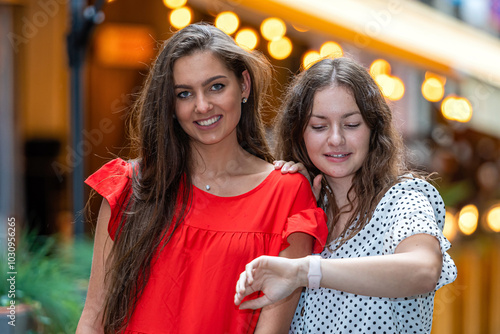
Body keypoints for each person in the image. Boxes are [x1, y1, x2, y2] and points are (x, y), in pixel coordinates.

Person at [76, 23, 328, 334]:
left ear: (244, 85)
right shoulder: (131, 186)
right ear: (171, 105)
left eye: (216, 86)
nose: (202, 105)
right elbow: (93, 319)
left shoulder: (287, 193)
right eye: (184, 93)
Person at [234, 57, 457, 333]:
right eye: (319, 126)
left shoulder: (402, 199)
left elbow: (423, 270)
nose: (336, 139)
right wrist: (293, 198)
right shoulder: (308, 205)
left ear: (374, 129)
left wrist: (306, 271)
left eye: (351, 125)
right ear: (298, 132)